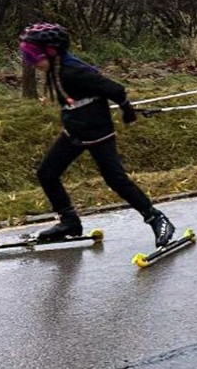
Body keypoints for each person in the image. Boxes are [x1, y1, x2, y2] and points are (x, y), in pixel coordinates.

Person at [19, 23, 175, 248]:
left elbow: (114, 89)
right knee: (47, 173)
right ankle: (69, 222)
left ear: (51, 51)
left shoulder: (73, 71)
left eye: (33, 55)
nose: (31, 61)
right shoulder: (57, 68)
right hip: (75, 130)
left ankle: (157, 219)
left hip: (97, 130)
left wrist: (126, 108)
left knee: (115, 179)